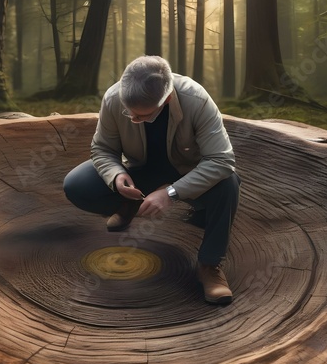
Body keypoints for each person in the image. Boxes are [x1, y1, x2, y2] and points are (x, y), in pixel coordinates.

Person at [63, 55, 240, 304]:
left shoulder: (197, 100)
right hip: (139, 169)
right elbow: (102, 149)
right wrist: (117, 176)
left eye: (142, 116)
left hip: (186, 172)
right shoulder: (114, 98)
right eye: (129, 113)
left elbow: (221, 161)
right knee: (77, 185)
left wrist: (171, 192)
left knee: (229, 184)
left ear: (166, 99)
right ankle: (129, 203)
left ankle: (209, 266)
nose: (133, 118)